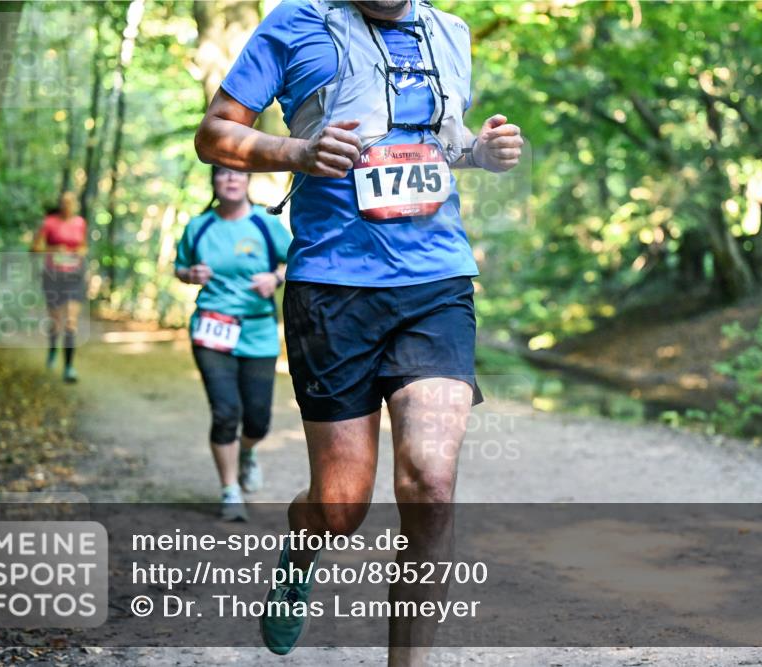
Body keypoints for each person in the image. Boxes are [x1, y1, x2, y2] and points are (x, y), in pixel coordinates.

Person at [195, 0, 523, 662]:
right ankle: (303, 540)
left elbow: (438, 141)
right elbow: (214, 133)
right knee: (341, 506)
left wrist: (481, 152)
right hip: (333, 288)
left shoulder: (450, 32)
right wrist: (299, 151)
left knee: (431, 482)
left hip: (435, 285)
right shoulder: (296, 24)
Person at [174, 166, 291, 522]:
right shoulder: (199, 226)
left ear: (247, 181)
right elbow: (180, 267)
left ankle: (246, 452)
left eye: (238, 174)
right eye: (223, 174)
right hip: (211, 330)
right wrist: (190, 275)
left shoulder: (265, 223)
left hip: (257, 331)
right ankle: (230, 490)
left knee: (258, 421)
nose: (231, 179)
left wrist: (275, 277)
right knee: (226, 412)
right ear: (213, 182)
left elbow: (297, 258)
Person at [31, 191, 87, 383]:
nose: (67, 205)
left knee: (71, 322)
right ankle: (53, 348)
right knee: (56, 321)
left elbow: (84, 246)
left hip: (74, 276)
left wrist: (79, 251)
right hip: (53, 276)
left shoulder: (80, 223)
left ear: (75, 204)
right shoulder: (49, 222)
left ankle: (69, 367)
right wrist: (54, 249)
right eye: (63, 202)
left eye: (70, 202)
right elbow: (34, 248)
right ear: (60, 204)